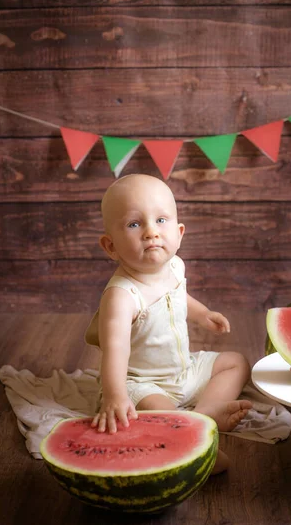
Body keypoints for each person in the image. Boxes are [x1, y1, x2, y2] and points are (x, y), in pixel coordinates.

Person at [85, 174, 252, 473]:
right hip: (142, 383)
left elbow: (179, 296)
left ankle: (205, 412)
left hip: (183, 370)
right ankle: (197, 445)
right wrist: (115, 395)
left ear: (179, 233)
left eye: (161, 220)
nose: (151, 232)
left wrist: (203, 314)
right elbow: (115, 348)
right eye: (134, 224)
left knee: (237, 362)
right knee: (164, 415)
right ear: (110, 246)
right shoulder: (122, 296)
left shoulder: (174, 266)